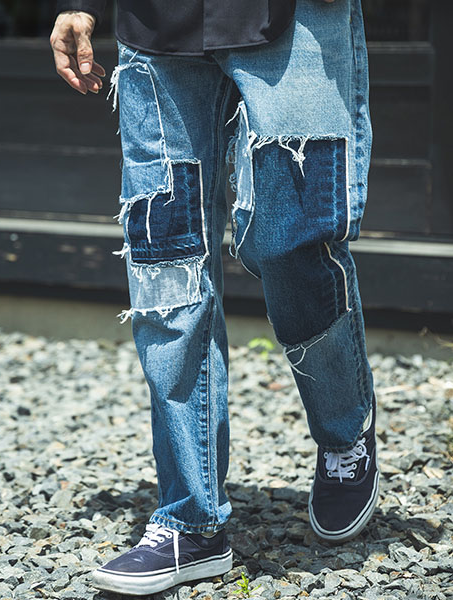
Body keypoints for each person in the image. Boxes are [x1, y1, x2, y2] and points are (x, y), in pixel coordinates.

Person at [50, 0, 379, 595]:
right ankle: (191, 521)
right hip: (157, 26)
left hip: (297, 17)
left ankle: (343, 433)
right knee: (166, 265)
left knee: (291, 245)